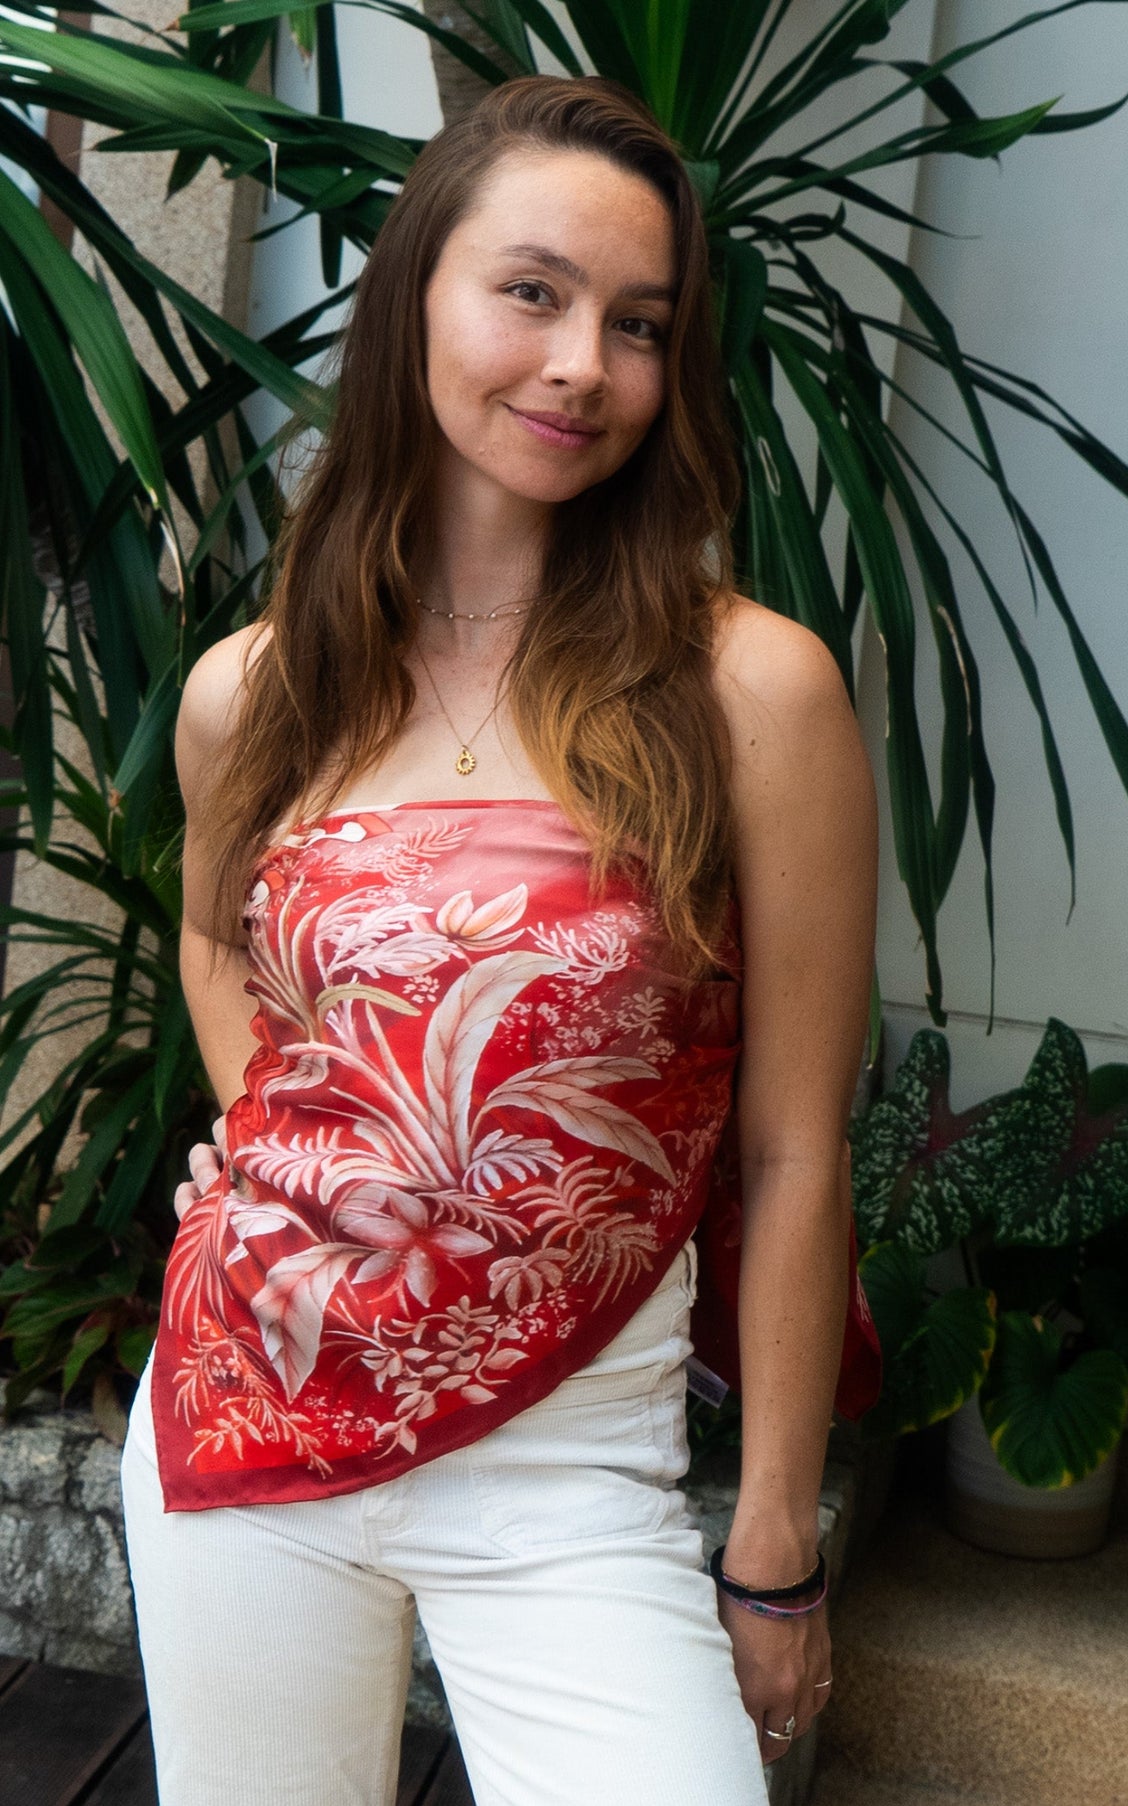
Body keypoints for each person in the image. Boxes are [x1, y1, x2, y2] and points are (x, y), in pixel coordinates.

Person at [120, 72, 880, 1806]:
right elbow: (209, 935)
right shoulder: (257, 691)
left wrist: (769, 1539)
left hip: (573, 1472)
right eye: (528, 292)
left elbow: (788, 1142)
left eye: (636, 324)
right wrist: (273, 1145)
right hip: (246, 1427)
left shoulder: (749, 688)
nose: (577, 365)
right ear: (417, 300)